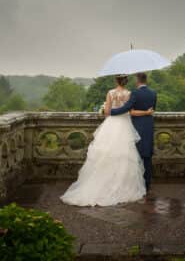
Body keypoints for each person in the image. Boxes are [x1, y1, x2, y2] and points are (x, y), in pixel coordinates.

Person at [60, 74, 153, 206]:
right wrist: (146, 113)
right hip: (125, 125)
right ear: (126, 81)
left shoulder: (110, 93)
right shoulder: (129, 93)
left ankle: (101, 181)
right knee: (124, 154)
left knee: (106, 153)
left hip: (111, 124)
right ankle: (122, 183)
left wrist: (103, 110)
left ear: (116, 80)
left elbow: (108, 111)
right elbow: (130, 111)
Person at [109, 72, 157, 193]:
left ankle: (136, 183)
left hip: (137, 127)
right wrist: (146, 112)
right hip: (149, 126)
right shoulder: (153, 93)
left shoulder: (135, 93)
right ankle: (147, 184)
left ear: (137, 80)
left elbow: (127, 108)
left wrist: (111, 112)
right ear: (145, 80)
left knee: (135, 155)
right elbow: (152, 110)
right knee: (147, 155)